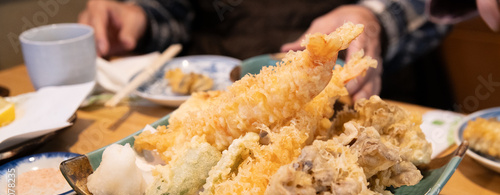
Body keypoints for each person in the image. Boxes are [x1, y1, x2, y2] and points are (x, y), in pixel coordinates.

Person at [78, 0, 498, 101]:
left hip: (367, 84)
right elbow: (176, 7)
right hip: (212, 91)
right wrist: (142, 15)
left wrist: (370, 17)